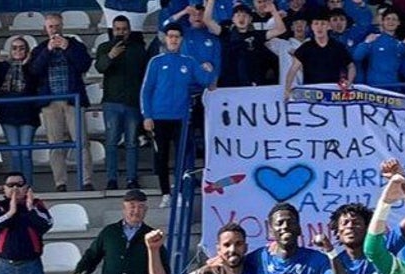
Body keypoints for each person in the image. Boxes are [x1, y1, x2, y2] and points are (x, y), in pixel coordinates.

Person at [141, 24, 217, 208]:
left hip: (181, 118)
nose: (173, 39)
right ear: (165, 39)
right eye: (170, 36)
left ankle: (181, 191)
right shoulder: (156, 62)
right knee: (162, 157)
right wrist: (147, 115)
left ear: (181, 39)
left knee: (183, 157)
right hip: (159, 117)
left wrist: (209, 69)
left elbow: (207, 82)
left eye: (177, 36)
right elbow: (146, 90)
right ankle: (165, 193)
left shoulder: (189, 62)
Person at [28, 13, 95, 192]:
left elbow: (84, 65)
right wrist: (47, 51)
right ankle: (60, 183)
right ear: (45, 29)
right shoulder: (40, 48)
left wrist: (67, 48)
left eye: (57, 26)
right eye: (51, 27)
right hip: (50, 103)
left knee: (81, 142)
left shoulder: (74, 44)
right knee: (55, 144)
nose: (54, 30)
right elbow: (34, 71)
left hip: (73, 100)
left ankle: (86, 180)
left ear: (62, 26)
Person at [97, 15, 149, 191]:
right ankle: (112, 179)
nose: (121, 32)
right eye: (118, 29)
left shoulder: (138, 49)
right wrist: (111, 55)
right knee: (111, 142)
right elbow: (100, 67)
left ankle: (131, 179)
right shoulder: (104, 47)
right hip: (111, 102)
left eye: (124, 29)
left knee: (132, 143)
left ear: (129, 30)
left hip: (132, 102)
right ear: (112, 30)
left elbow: (145, 76)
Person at [0, 37, 40, 187]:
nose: (18, 51)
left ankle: (27, 187)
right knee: (15, 153)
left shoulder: (33, 66)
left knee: (25, 152)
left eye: (21, 48)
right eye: (14, 48)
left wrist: (25, 66)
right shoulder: (5, 66)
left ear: (27, 51)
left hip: (28, 114)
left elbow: (33, 84)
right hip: (8, 114)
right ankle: (16, 188)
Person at [209, 1, 286, 88]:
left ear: (250, 20)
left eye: (245, 16)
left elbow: (281, 30)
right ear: (233, 19)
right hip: (229, 83)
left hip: (252, 82)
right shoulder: (225, 33)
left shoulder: (256, 35)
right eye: (238, 15)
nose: (241, 18)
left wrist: (273, 11)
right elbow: (207, 20)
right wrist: (211, 2)